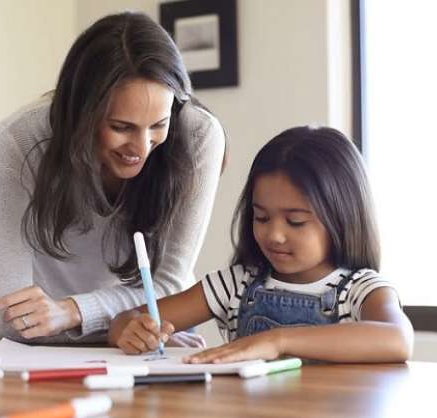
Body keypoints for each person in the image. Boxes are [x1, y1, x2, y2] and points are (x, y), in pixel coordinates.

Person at [0, 12, 225, 344]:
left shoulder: (199, 135)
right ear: (81, 111)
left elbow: (171, 285)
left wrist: (73, 312)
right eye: (121, 127)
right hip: (50, 348)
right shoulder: (15, 144)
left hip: (149, 333)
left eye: (158, 125)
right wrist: (113, 325)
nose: (141, 147)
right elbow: (10, 320)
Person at [109, 126, 414, 363]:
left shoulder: (362, 290)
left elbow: (398, 340)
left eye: (295, 222)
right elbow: (127, 320)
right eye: (262, 217)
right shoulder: (235, 284)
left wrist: (278, 341)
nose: (274, 235)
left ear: (342, 218)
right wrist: (132, 330)